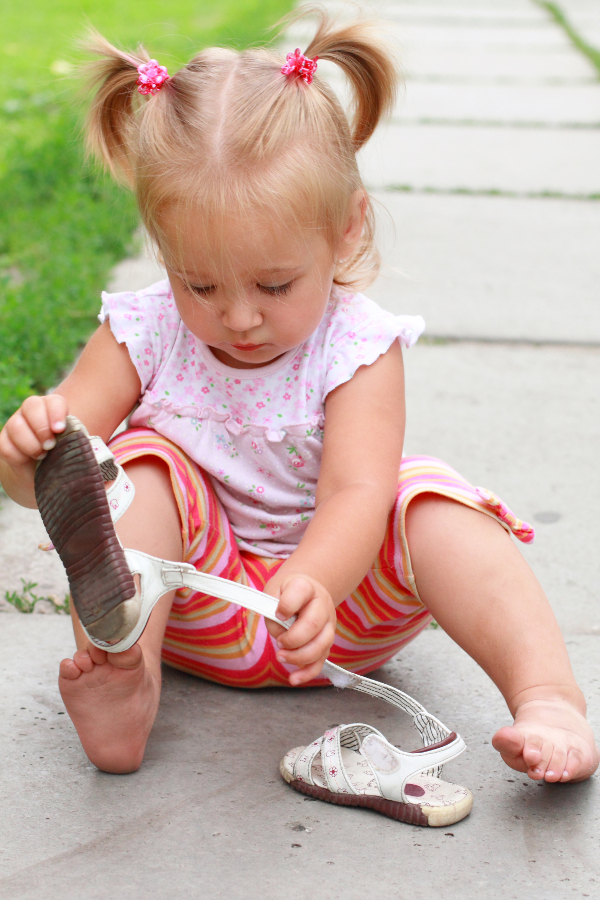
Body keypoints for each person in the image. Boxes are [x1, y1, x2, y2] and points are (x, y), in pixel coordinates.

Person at [0, 10, 597, 788]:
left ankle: (548, 697)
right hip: (192, 610)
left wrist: (315, 578)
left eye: (274, 284)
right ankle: (125, 680)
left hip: (336, 615)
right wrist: (28, 455)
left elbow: (358, 490)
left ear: (345, 231)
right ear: (161, 246)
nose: (239, 317)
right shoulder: (143, 330)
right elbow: (63, 488)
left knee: (431, 499)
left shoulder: (357, 346)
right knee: (136, 469)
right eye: (200, 283)